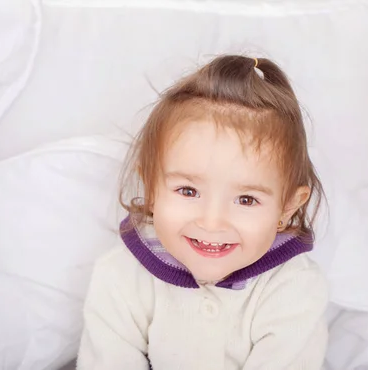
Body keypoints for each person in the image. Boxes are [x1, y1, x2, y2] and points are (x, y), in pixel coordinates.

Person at [77, 55, 328, 370]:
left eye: (246, 199)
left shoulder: (294, 288)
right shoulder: (121, 275)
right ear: (152, 188)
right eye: (188, 191)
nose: (211, 222)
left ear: (288, 207)